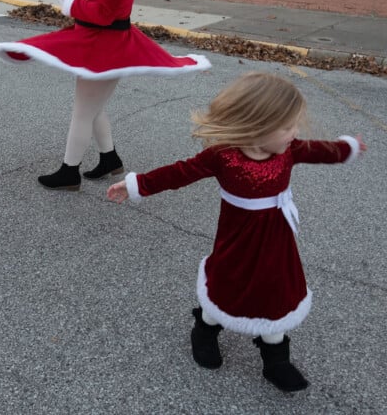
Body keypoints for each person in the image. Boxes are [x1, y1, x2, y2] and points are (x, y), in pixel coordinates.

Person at [107, 72, 367, 392]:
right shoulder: (223, 156)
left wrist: (347, 148)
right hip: (238, 244)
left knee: (277, 292)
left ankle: (276, 359)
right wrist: (136, 185)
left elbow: (319, 150)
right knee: (226, 289)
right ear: (257, 125)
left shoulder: (289, 149)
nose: (294, 133)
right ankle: (205, 328)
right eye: (287, 127)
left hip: (277, 242)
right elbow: (179, 173)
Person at [0, 0, 211, 191]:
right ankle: (110, 159)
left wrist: (72, 1)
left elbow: (104, 14)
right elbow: (95, 0)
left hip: (108, 48)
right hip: (93, 43)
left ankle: (70, 172)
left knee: (83, 110)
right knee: (93, 107)